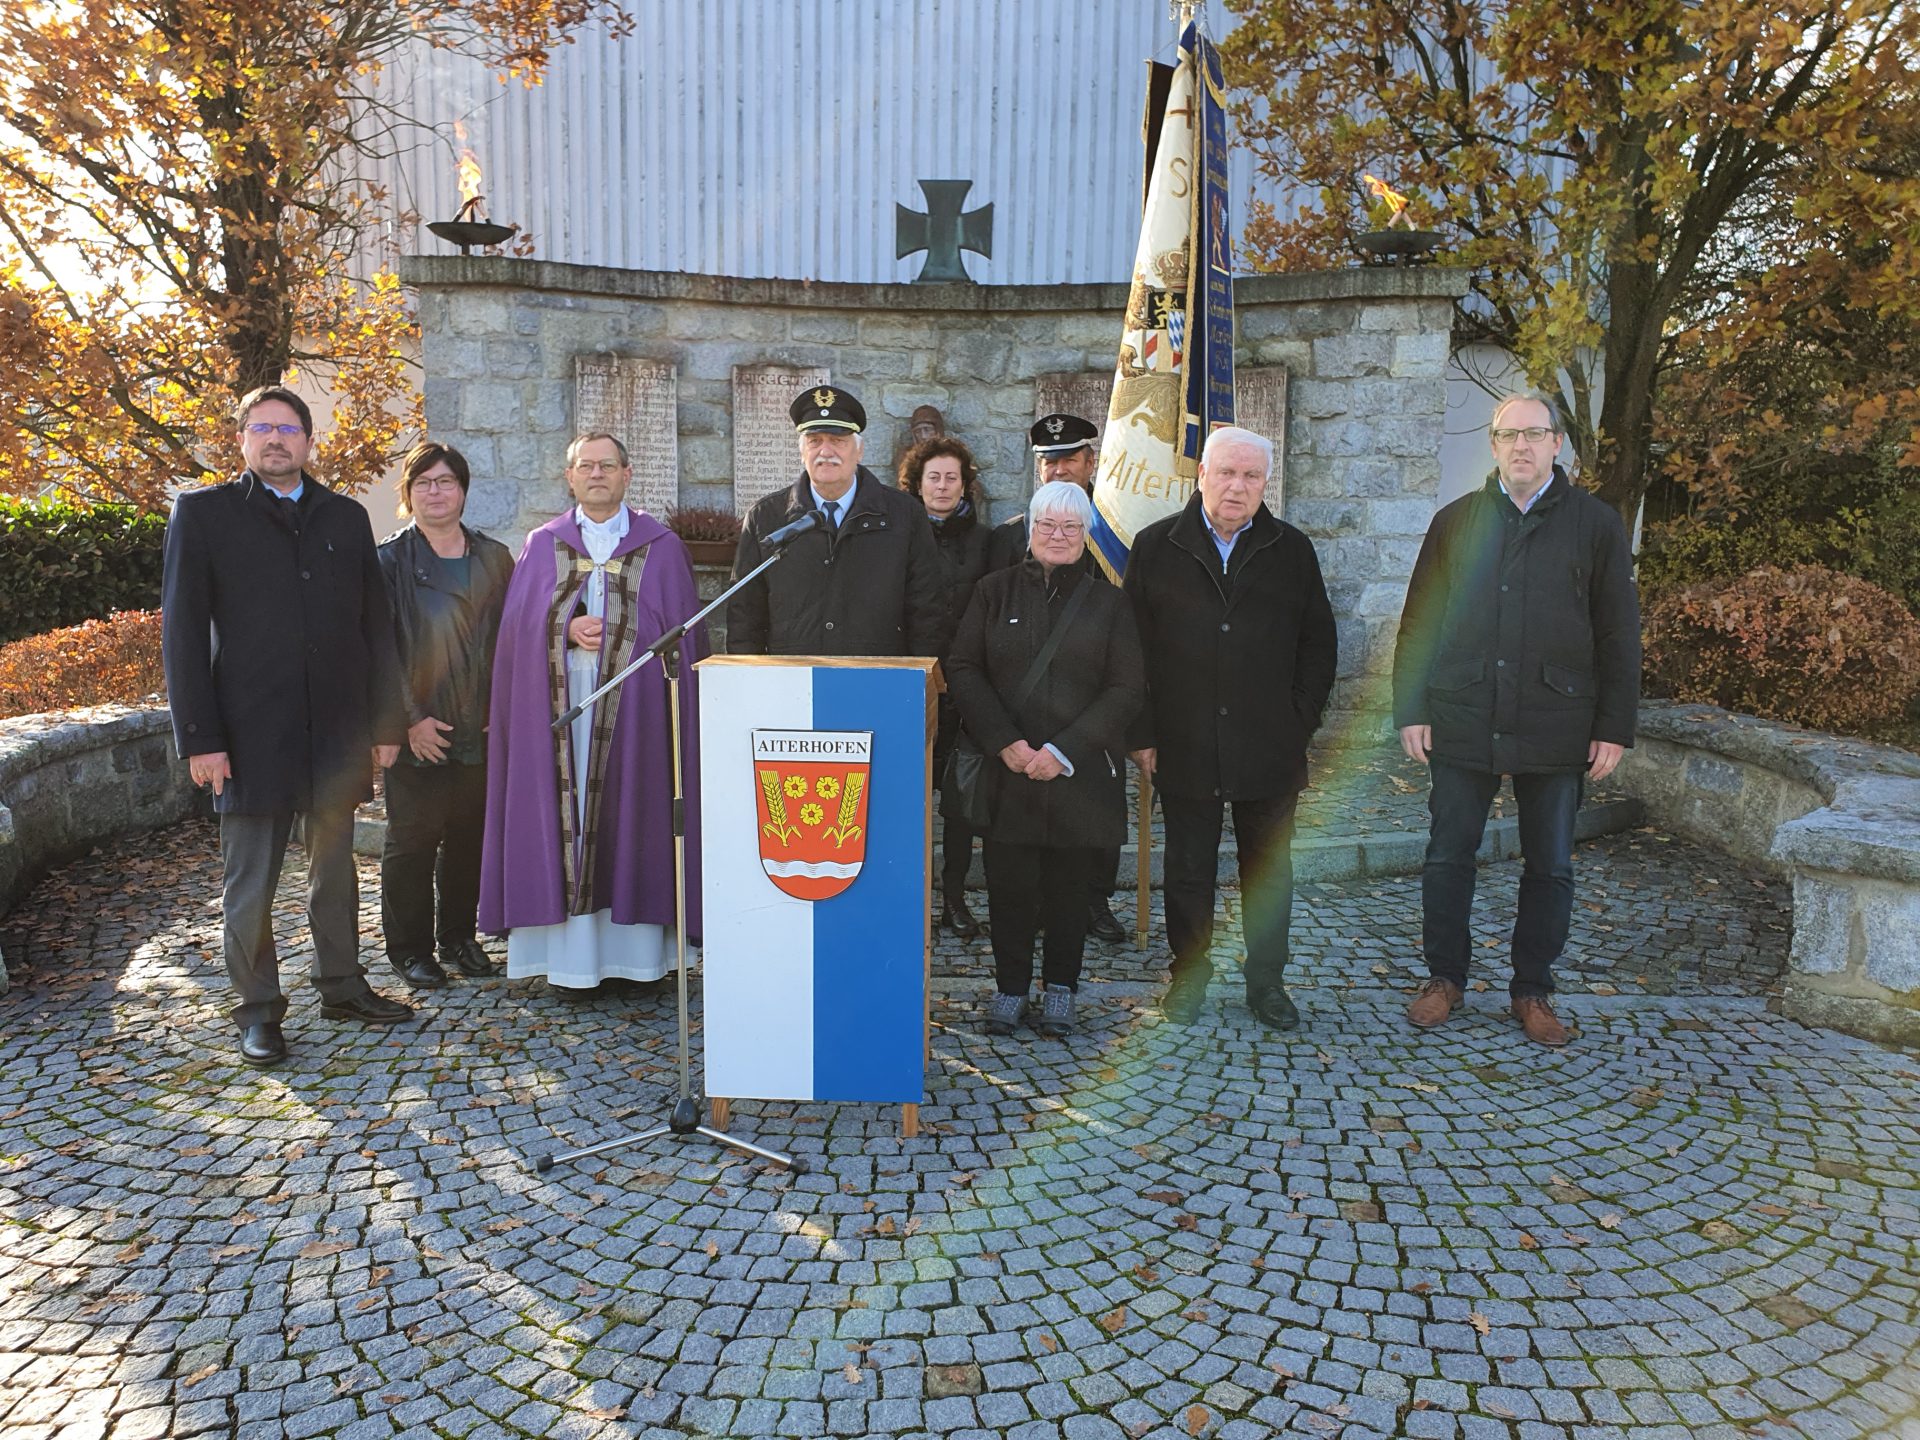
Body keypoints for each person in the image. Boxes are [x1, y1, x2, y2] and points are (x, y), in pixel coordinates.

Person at [161, 385, 412, 1068]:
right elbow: (181, 633)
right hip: (247, 735)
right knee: (251, 884)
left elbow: (376, 630)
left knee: (334, 870)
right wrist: (200, 738)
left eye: (290, 428)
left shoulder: (345, 516)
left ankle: (341, 985)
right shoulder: (204, 514)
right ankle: (258, 1011)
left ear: (308, 440)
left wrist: (385, 723)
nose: (277, 439)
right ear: (241, 439)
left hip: (336, 730)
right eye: (262, 428)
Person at [1392, 394, 1641, 1046]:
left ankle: (1533, 990)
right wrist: (1412, 707)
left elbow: (1619, 632)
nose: (1522, 446)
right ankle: (1444, 979)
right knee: (1449, 856)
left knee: (1551, 864)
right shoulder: (1457, 522)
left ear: (1558, 443)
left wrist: (1613, 724)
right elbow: (1419, 622)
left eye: (1535, 434)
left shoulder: (1595, 525)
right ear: (1495, 445)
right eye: (1509, 435)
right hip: (1463, 715)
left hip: (1557, 719)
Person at [1123, 426, 1337, 1029]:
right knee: (1188, 870)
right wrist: (1142, 734)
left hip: (1268, 746)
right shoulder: (1156, 546)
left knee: (1267, 873)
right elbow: (1131, 651)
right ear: (1202, 475)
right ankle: (1187, 976)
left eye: (1251, 476)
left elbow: (1318, 645)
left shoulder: (1291, 549)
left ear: (1266, 483)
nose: (1237, 486)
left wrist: (1298, 722)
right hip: (1184, 742)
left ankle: (1266, 981)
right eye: (1227, 473)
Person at [479, 433, 705, 992]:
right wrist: (566, 628)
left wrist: (624, 633)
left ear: (628, 475)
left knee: (636, 809)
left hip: (639, 711)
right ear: (570, 477)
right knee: (563, 816)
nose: (596, 474)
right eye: (586, 466)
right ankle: (566, 961)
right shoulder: (543, 544)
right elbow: (516, 634)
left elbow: (683, 636)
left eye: (607, 465)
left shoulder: (663, 546)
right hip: (558, 714)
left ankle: (638, 959)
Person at [946, 481, 1146, 1039]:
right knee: (1008, 887)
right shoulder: (992, 592)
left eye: (1070, 527)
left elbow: (1127, 687)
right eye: (1046, 525)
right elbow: (963, 667)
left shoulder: (1111, 602)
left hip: (1077, 772)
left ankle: (1061, 989)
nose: (1057, 536)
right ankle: (1010, 989)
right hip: (1008, 768)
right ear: (1028, 529)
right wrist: (1004, 741)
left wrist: (1064, 751)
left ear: (1086, 536)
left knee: (1068, 891)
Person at [376, 441, 514, 990]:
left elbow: (512, 639)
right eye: (424, 482)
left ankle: (459, 936)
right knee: (412, 839)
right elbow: (377, 648)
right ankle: (408, 949)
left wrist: (496, 712)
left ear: (463, 490)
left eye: (446, 481)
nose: (436, 492)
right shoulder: (387, 561)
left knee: (468, 837)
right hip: (419, 729)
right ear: (409, 494)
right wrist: (408, 721)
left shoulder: (494, 558)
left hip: (478, 726)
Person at [989, 412, 1128, 945]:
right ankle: (1042, 904)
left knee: (1097, 807)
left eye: (1071, 458)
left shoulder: (1115, 538)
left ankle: (1093, 900)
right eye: (1050, 461)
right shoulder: (1008, 538)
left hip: (1095, 705)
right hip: (1027, 708)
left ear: (1092, 463)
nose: (1060, 469)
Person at [728, 386, 948, 657]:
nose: (825, 451)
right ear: (802, 452)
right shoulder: (766, 518)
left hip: (878, 680)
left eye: (838, 440)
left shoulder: (904, 515)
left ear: (859, 451)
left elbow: (927, 612)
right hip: (793, 683)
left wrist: (919, 686)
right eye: (814, 440)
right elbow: (745, 618)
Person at [899, 436, 993, 937]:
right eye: (932, 477)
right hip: (912, 688)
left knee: (959, 804)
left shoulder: (986, 542)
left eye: (951, 477)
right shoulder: (898, 536)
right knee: (908, 799)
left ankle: (954, 898)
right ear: (916, 485)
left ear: (964, 485)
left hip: (966, 688)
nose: (941, 486)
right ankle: (908, 894)